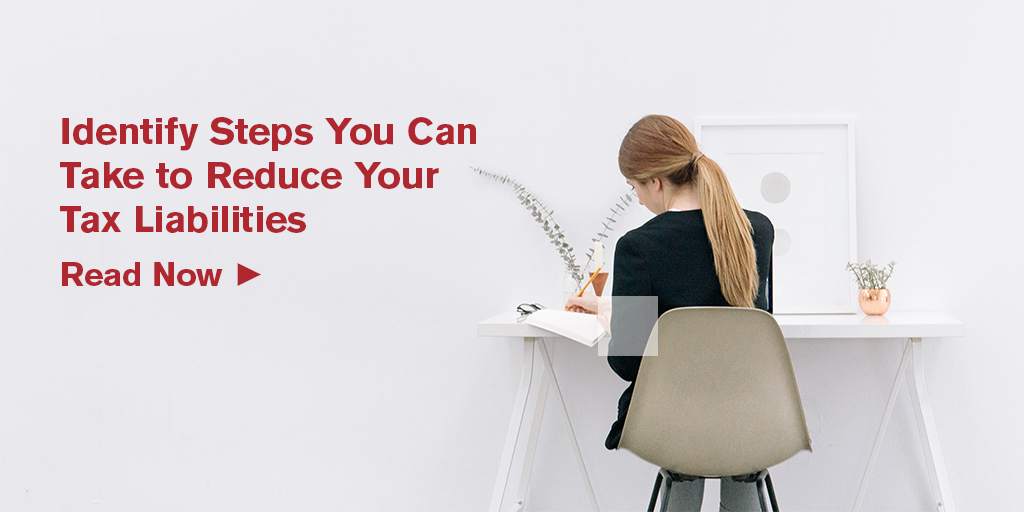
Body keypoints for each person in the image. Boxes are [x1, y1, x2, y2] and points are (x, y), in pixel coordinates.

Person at [566, 114, 774, 511]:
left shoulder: (638, 247)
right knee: (734, 427)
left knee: (684, 416)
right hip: (752, 416)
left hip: (674, 422)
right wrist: (616, 307)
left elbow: (629, 364)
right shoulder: (756, 230)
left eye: (635, 188)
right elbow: (752, 324)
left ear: (655, 182)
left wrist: (614, 325)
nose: (638, 200)